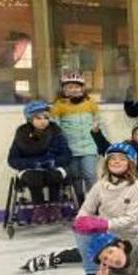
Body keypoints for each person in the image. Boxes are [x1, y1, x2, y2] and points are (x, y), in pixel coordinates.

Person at [72, 142, 138, 275]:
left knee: (130, 273)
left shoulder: (137, 186)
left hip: (128, 236)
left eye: (122, 159)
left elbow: (131, 218)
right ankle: (91, 272)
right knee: (79, 229)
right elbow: (86, 209)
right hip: (106, 236)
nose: (116, 161)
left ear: (131, 163)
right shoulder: (100, 185)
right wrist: (81, 222)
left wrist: (105, 224)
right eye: (112, 159)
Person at [8, 100, 72, 223]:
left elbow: (67, 155)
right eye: (38, 118)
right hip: (30, 168)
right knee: (34, 177)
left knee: (54, 175)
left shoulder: (56, 133)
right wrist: (33, 164)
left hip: (53, 166)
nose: (43, 121)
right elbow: (12, 160)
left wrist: (53, 162)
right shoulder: (21, 134)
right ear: (30, 119)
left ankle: (54, 206)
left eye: (46, 117)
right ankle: (39, 208)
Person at [51, 70, 99, 201]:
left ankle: (94, 202)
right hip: (70, 148)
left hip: (89, 147)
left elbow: (97, 120)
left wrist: (96, 130)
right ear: (63, 89)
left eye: (76, 87)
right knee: (75, 176)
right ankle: (80, 201)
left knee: (90, 175)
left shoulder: (90, 103)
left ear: (82, 88)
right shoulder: (59, 105)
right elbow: (55, 126)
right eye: (69, 87)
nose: (73, 90)